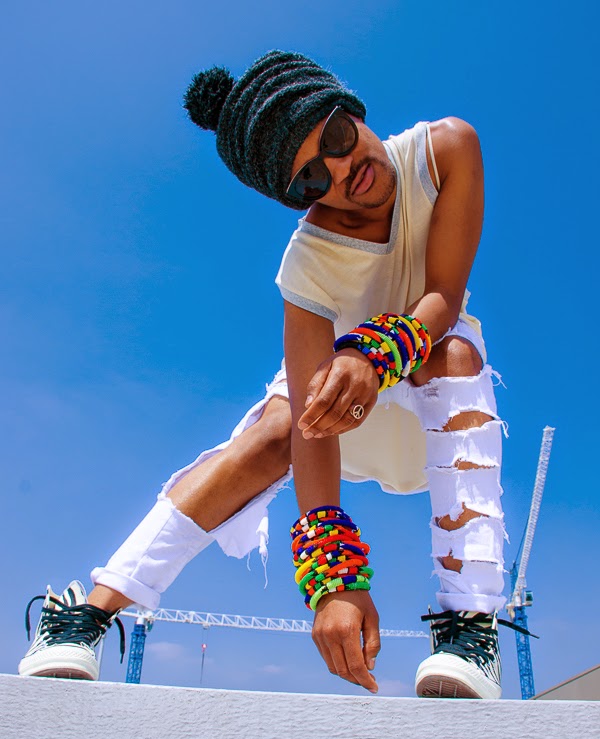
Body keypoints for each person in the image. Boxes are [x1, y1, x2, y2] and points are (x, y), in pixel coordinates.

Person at [19, 49, 517, 699]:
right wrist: (333, 582)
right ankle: (85, 616)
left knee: (451, 351)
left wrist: (370, 354)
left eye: (336, 136)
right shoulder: (307, 264)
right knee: (272, 430)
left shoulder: (444, 150)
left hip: (431, 386)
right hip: (335, 403)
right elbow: (311, 426)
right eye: (310, 178)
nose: (341, 170)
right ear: (294, 198)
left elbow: (443, 296)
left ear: (352, 109)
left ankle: (471, 625)